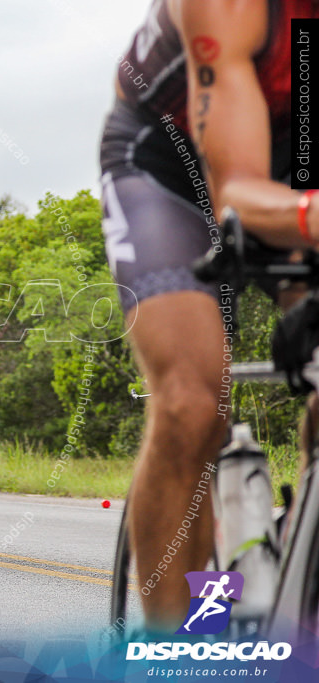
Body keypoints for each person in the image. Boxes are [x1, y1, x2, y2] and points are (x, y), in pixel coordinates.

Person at [100, 0, 319, 633]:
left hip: (294, 155)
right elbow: (238, 194)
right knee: (194, 402)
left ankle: (300, 570)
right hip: (169, 167)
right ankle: (173, 648)